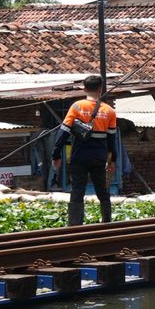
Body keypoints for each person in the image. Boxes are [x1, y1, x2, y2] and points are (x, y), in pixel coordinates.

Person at [58, 74, 118, 226]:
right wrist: (113, 161)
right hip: (99, 157)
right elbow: (112, 139)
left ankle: (75, 225)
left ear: (84, 88)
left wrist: (55, 154)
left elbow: (64, 132)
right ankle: (107, 222)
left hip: (79, 156)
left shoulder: (77, 106)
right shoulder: (109, 111)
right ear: (100, 89)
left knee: (78, 189)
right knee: (102, 189)